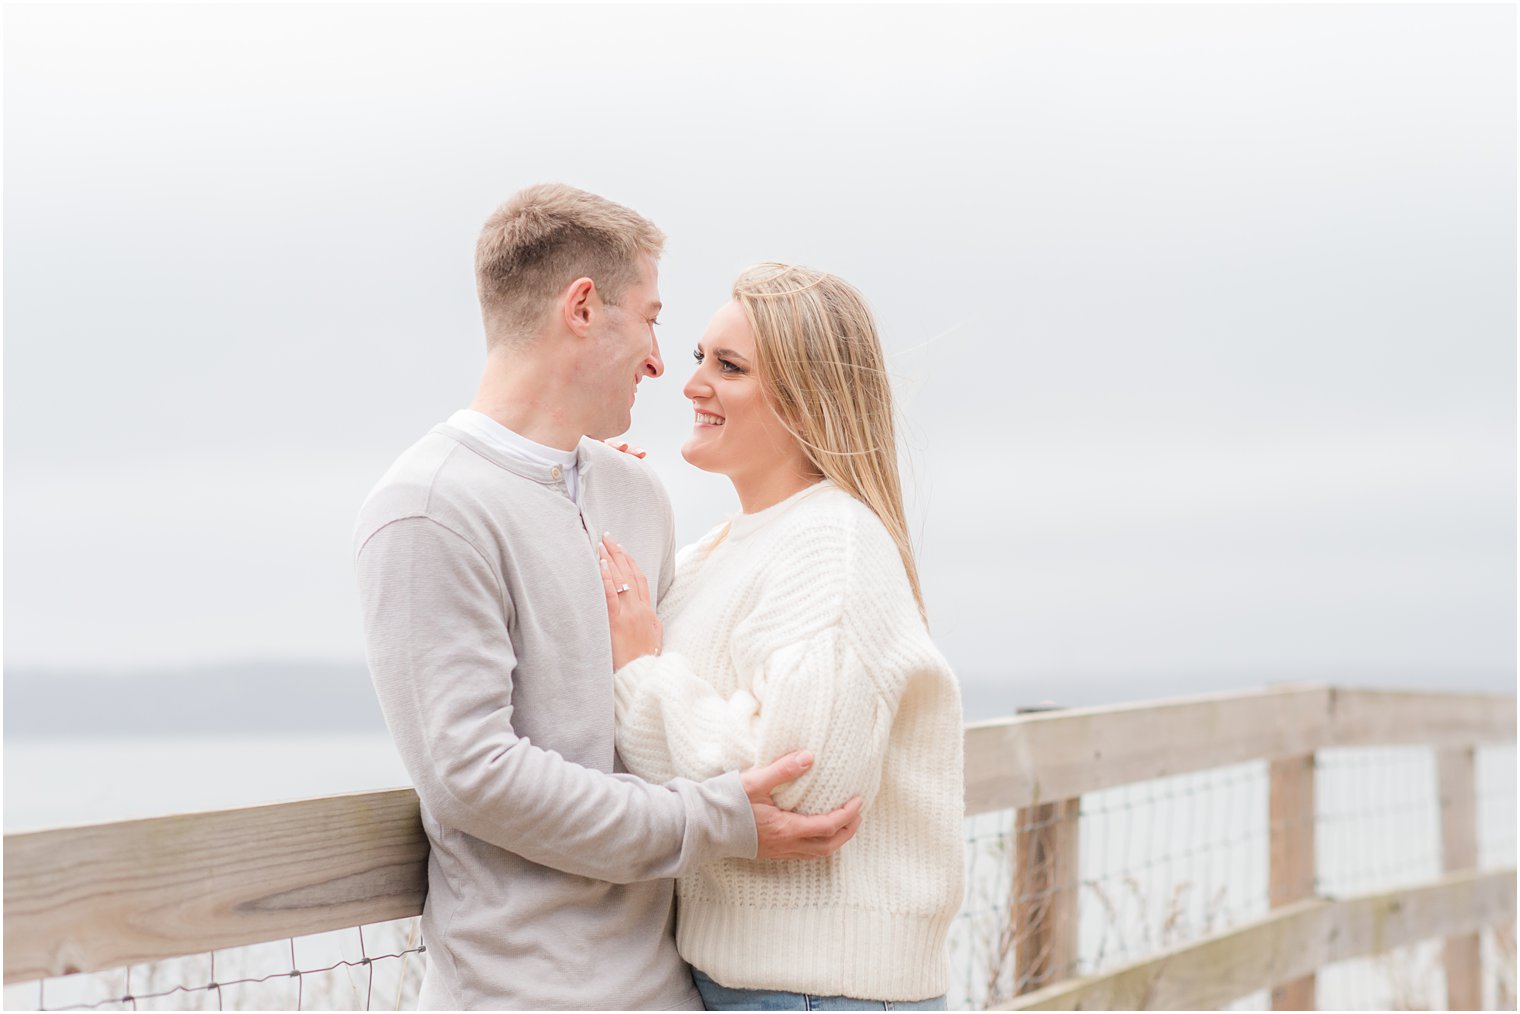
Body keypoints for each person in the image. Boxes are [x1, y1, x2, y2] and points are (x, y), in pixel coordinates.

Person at [353, 187, 863, 1011]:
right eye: (651, 317)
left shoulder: (636, 495)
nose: (663, 360)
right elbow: (472, 775)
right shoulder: (428, 508)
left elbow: (663, 696)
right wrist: (716, 821)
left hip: (677, 989)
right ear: (583, 308)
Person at [599, 263, 966, 1011]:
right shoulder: (713, 556)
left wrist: (642, 673)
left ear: (807, 398)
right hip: (751, 986)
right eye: (700, 356)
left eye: (728, 366)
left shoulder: (833, 542)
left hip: (818, 993)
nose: (693, 382)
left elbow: (795, 784)